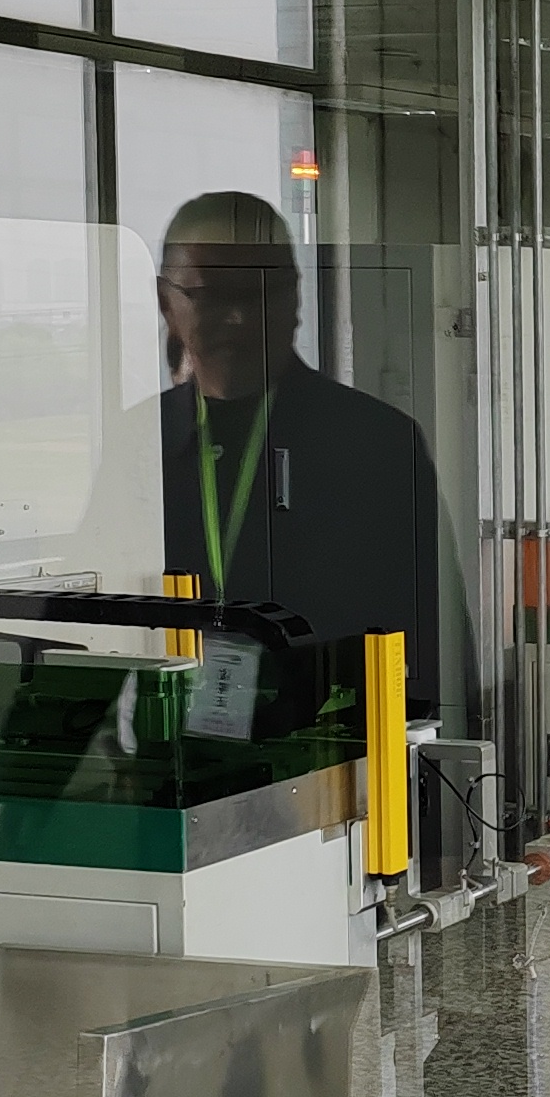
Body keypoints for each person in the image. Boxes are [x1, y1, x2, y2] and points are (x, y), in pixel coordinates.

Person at [150, 190, 453, 715]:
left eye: (259, 293)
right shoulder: (141, 438)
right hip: (169, 726)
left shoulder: (376, 441)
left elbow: (429, 646)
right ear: (165, 302)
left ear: (294, 297)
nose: (238, 317)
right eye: (212, 295)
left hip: (329, 742)